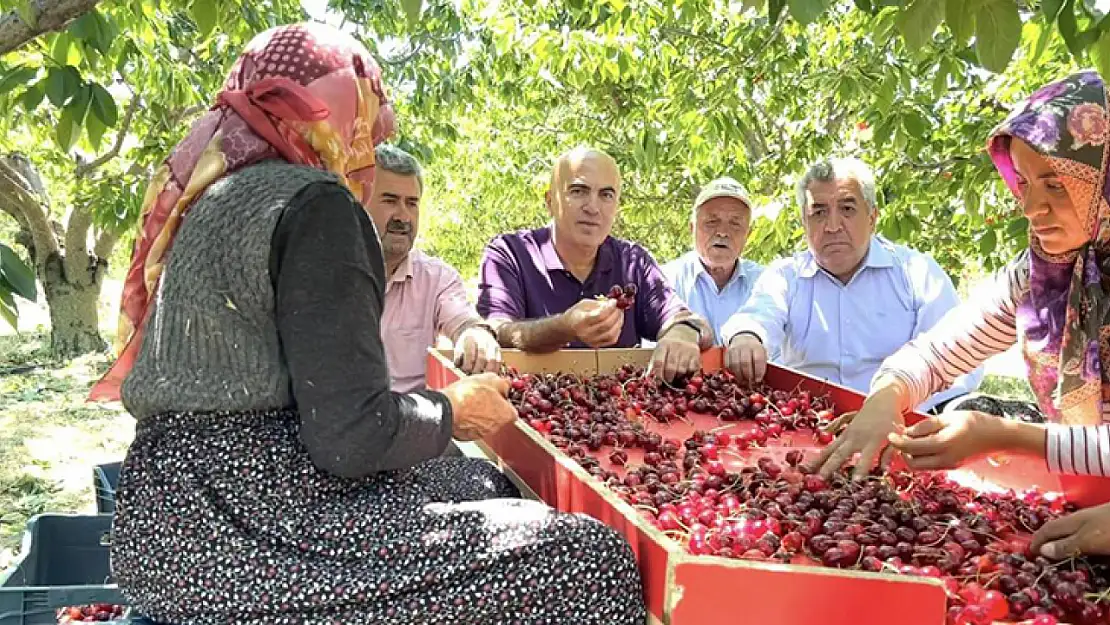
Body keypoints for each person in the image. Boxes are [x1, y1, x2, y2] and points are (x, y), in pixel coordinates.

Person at [88, 24, 645, 624]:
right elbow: (352, 436)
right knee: (593, 559)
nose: (373, 140)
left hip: (165, 530)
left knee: (484, 484)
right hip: (252, 532)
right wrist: (455, 410)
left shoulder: (215, 198)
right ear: (338, 114)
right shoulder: (316, 204)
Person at [807, 71, 1110, 561]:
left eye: (1054, 184)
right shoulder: (1041, 275)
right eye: (1024, 183)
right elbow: (937, 351)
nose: (1031, 207)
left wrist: (1006, 435)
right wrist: (888, 394)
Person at [720, 156, 983, 412]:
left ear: (872, 217)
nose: (833, 226)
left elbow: (957, 362)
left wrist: (901, 413)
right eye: (819, 212)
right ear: (804, 222)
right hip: (803, 429)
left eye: (847, 209)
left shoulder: (918, 273)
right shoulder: (785, 277)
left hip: (900, 427)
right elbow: (756, 316)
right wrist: (747, 336)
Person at [477, 146, 712, 380]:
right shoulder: (511, 254)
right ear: (550, 201)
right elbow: (496, 331)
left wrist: (682, 333)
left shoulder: (633, 262)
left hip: (617, 410)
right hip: (528, 407)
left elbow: (683, 319)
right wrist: (564, 327)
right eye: (578, 191)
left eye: (606, 195)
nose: (592, 208)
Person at [367, 144, 501, 393]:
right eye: (390, 201)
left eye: (412, 203)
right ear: (360, 201)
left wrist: (475, 335)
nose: (403, 216)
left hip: (412, 424)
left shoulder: (437, 279)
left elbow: (462, 320)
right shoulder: (330, 274)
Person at [662, 176, 764, 346]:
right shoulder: (665, 280)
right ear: (692, 228)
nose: (723, 232)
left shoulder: (766, 284)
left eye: (735, 224)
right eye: (712, 222)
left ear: (749, 233)